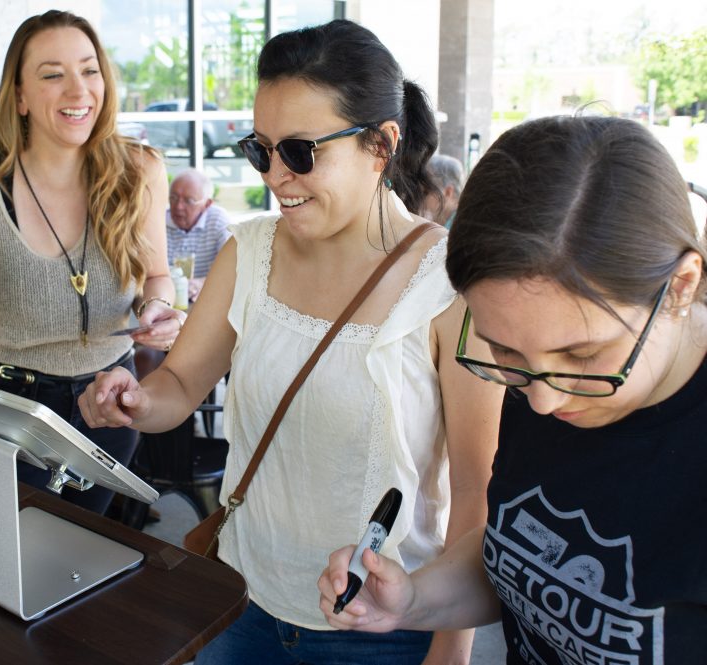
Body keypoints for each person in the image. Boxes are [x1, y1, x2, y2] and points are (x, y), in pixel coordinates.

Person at [79, 19, 503, 664]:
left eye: (302, 151)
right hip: (239, 597)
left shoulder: (447, 285)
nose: (277, 176)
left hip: (380, 626)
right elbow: (182, 383)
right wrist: (136, 399)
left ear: (381, 144)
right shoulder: (247, 252)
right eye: (261, 150)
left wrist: (451, 648)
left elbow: (476, 489)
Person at [318, 115, 707, 665]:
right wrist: (414, 600)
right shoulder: (540, 387)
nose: (544, 401)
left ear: (681, 287)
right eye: (505, 353)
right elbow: (520, 545)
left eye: (584, 356)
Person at [0, 10, 182, 516]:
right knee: (13, 558)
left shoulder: (140, 170)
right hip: (9, 410)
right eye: (53, 75)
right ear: (20, 97)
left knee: (86, 555)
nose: (79, 91)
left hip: (108, 402)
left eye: (90, 70)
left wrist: (158, 309)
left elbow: (156, 276)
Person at [166, 168, 233, 301]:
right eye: (173, 198)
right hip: (167, 299)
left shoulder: (218, 220)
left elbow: (233, 268)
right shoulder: (158, 222)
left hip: (207, 300)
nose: (178, 206)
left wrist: (201, 283)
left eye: (188, 201)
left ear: (207, 204)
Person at [419, 153, 464, 228]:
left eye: (425, 192)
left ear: (448, 192)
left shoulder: (462, 226)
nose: (420, 196)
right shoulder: (440, 220)